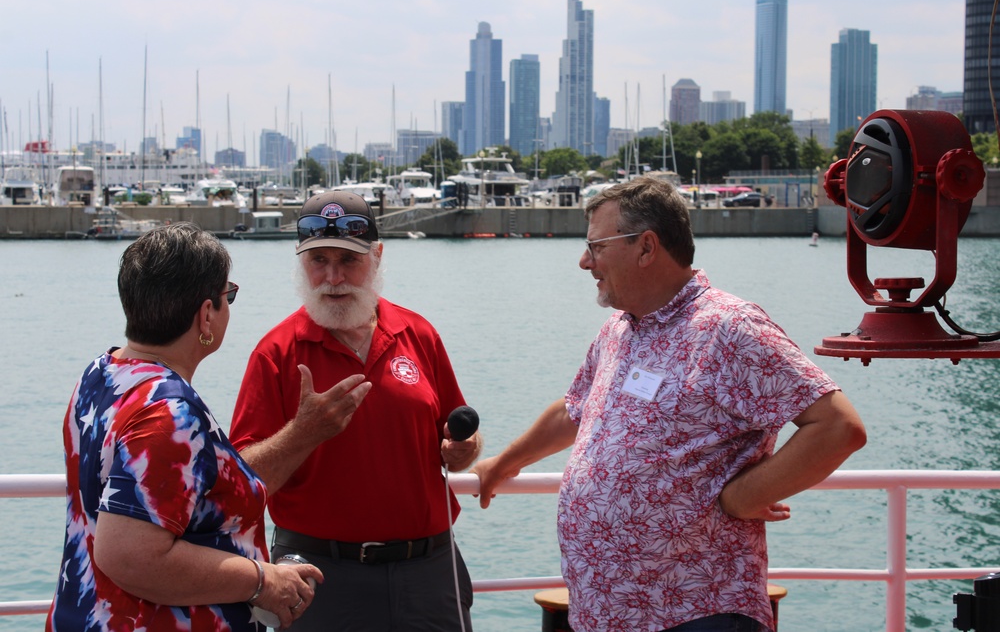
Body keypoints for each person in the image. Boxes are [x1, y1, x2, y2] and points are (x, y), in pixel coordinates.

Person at [473, 177, 867, 632]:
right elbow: (573, 411)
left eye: (596, 247)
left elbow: (838, 427)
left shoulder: (728, 328)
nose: (585, 262)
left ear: (645, 247)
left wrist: (743, 496)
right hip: (609, 613)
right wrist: (505, 461)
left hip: (696, 611)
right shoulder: (619, 330)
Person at [47, 222, 328, 631]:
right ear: (206, 315)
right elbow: (131, 555)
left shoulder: (101, 373)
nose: (228, 305)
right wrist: (263, 580)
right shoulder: (169, 415)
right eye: (226, 295)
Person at [228, 191, 482, 631]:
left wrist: (465, 450)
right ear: (299, 262)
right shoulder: (276, 352)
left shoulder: (418, 333)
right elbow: (240, 482)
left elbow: (457, 435)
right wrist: (304, 432)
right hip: (321, 577)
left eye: (348, 259)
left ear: (377, 257)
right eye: (318, 260)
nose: (333, 276)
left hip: (429, 571)